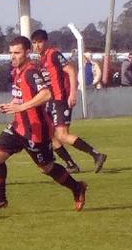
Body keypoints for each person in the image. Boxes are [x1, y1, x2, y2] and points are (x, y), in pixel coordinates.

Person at [0, 36, 87, 212]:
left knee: (47, 168)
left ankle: (77, 188)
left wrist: (20, 107)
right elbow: (21, 96)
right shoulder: (17, 72)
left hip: (36, 130)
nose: (13, 56)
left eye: (17, 53)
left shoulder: (31, 71)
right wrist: (9, 105)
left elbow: (46, 94)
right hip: (18, 127)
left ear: (27, 53)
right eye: (11, 53)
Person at [31, 30, 107, 174]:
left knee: (62, 134)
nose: (37, 45)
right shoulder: (42, 59)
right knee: (50, 134)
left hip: (61, 98)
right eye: (34, 43)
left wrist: (72, 93)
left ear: (46, 42)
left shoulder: (53, 54)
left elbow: (71, 70)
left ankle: (96, 155)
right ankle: (71, 164)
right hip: (51, 100)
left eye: (40, 42)